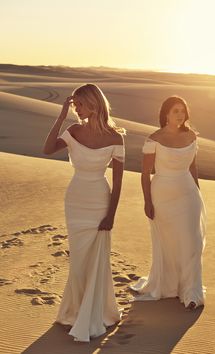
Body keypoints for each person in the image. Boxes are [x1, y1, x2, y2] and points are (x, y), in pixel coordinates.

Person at [43, 83, 125, 341]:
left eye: (79, 104)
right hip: (75, 200)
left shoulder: (115, 138)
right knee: (78, 260)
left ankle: (95, 312)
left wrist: (111, 214)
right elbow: (47, 149)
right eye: (74, 104)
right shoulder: (73, 130)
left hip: (99, 199)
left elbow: (119, 182)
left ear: (93, 103)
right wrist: (60, 116)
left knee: (97, 257)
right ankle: (75, 311)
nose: (76, 108)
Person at [130, 96, 206, 310]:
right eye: (175, 111)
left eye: (183, 111)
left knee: (192, 241)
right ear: (165, 114)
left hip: (188, 193)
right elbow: (145, 174)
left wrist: (197, 191)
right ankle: (170, 286)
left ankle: (191, 292)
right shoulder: (154, 139)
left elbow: (193, 167)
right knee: (168, 242)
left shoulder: (191, 136)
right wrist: (147, 202)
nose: (180, 115)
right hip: (162, 195)